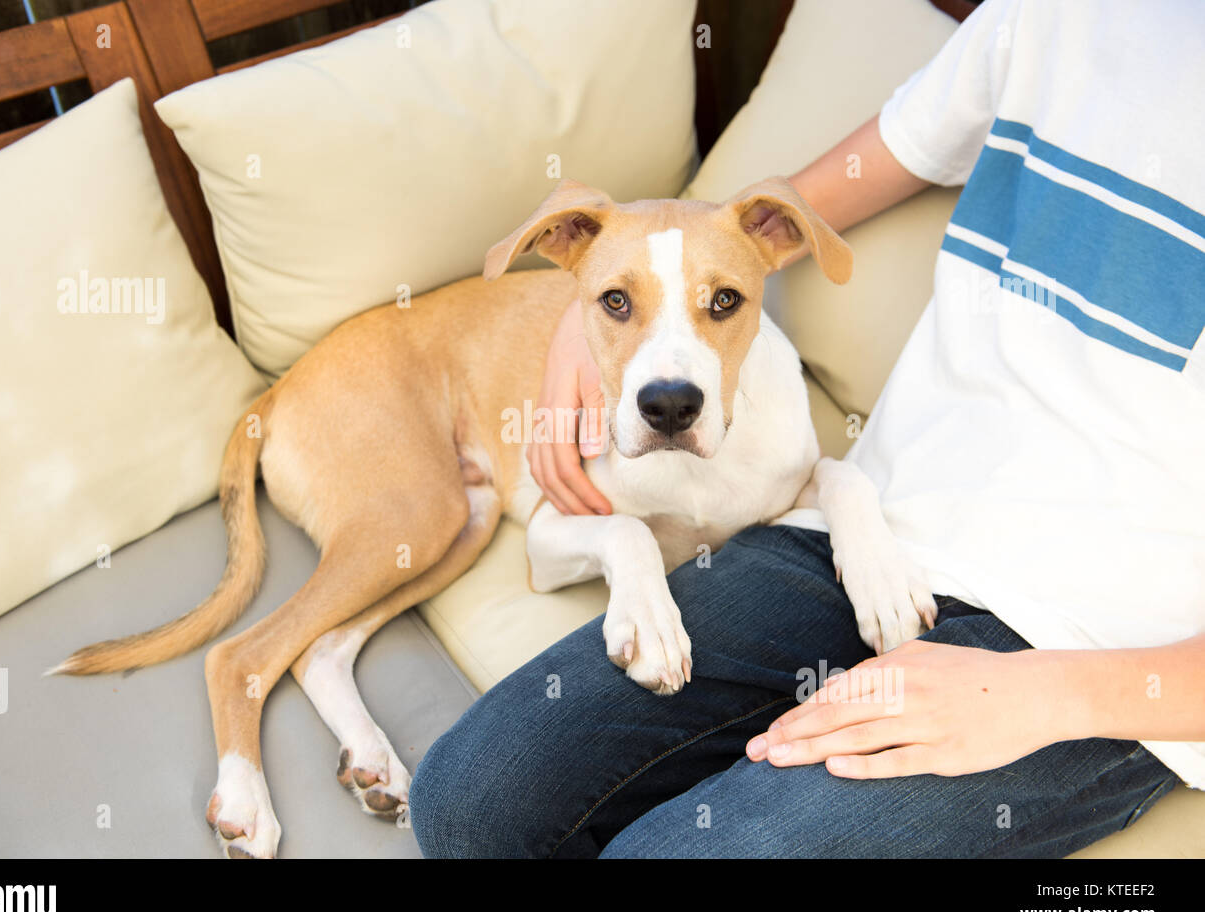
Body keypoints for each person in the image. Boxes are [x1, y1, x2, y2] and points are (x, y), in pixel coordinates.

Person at [409, 0, 1205, 857]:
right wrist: (604, 303)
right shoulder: (1053, 15)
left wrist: (1053, 697)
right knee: (467, 801)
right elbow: (780, 218)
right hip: (862, 534)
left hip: (1096, 651)